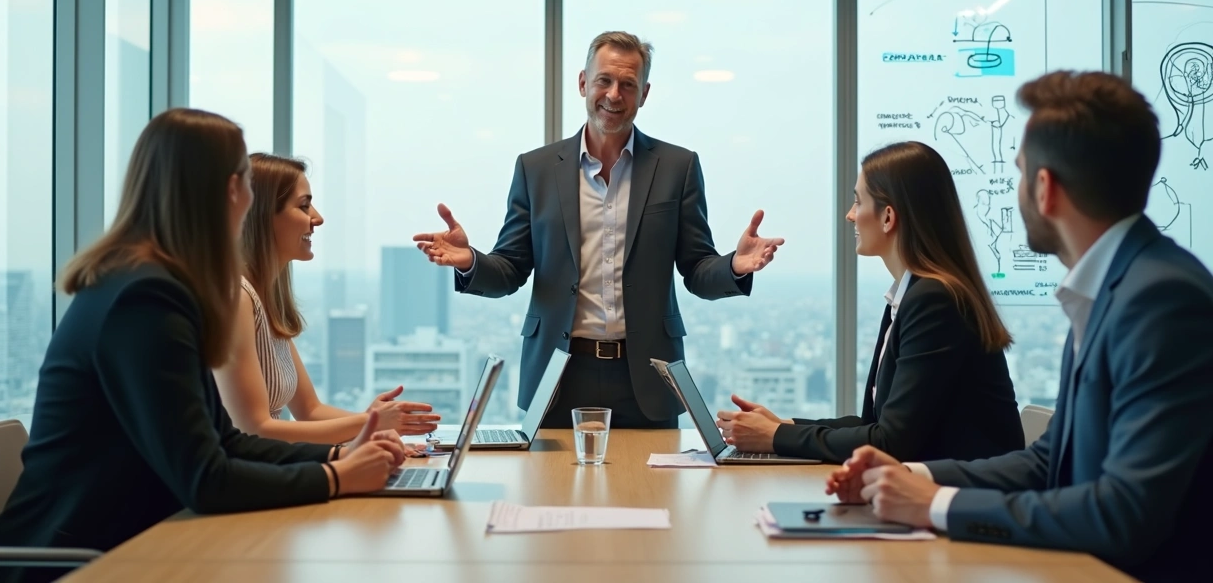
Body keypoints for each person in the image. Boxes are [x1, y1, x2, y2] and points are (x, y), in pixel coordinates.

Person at [829, 71, 1213, 582]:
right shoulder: (1110, 288)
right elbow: (1048, 463)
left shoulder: (1159, 300)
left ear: (1045, 189)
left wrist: (936, 504)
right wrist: (907, 476)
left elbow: (1124, 513)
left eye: (1019, 174)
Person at [0, 109, 406, 582]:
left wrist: (339, 457)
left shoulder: (146, 284)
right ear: (232, 190)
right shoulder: (144, 299)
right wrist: (336, 478)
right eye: (248, 183)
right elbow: (205, 479)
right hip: (78, 563)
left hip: (125, 543)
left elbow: (225, 442)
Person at [413, 31, 784, 428]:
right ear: (583, 83)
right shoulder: (536, 169)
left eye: (628, 84)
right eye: (604, 80)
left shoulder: (678, 167)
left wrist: (734, 267)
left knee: (654, 473)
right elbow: (510, 268)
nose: (614, 95)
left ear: (644, 94)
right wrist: (469, 261)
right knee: (552, 473)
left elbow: (697, 268)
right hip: (558, 374)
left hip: (648, 377)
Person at [714, 141, 1023, 463]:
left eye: (858, 202)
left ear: (888, 217)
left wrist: (776, 437)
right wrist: (783, 426)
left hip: (963, 490)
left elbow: (890, 441)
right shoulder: (912, 294)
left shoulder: (934, 300)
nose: (850, 215)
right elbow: (873, 424)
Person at [213, 153, 440, 444]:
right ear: (263, 215)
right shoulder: (237, 298)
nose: (317, 218)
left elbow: (310, 411)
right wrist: (369, 425)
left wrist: (373, 427)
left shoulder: (264, 301)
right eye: (303, 205)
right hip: (253, 469)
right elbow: (256, 429)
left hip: (272, 464)